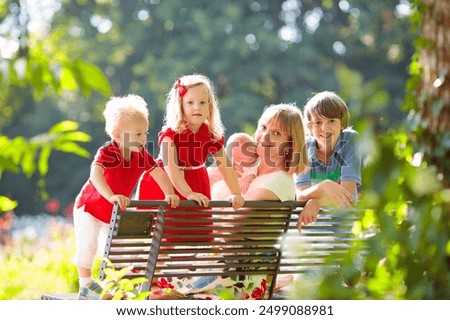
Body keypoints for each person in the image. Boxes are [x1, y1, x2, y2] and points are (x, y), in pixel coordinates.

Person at [72, 94, 180, 300]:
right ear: (118, 134)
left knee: (116, 249)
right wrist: (111, 195)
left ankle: (112, 285)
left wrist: (170, 193)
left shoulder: (141, 155)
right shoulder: (108, 152)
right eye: (137, 134)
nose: (142, 139)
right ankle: (85, 284)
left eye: (145, 133)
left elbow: (157, 172)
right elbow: (95, 174)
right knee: (88, 243)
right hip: (89, 208)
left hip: (112, 212)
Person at [137, 74, 244, 241]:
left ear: (210, 106)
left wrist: (236, 192)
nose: (197, 108)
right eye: (190, 103)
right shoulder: (170, 135)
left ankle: (183, 264)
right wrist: (188, 193)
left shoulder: (210, 134)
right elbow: (171, 168)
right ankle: (154, 264)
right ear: (180, 106)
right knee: (164, 238)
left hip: (196, 181)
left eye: (203, 103)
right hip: (167, 185)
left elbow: (225, 164)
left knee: (193, 236)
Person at [295, 91, 362, 230]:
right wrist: (324, 187)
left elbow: (346, 196)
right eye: (318, 122)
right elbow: (300, 196)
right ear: (309, 127)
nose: (324, 128)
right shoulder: (303, 146)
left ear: (342, 123)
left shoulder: (350, 140)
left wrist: (315, 201)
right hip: (310, 226)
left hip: (343, 229)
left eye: (331, 121)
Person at [209, 132, 258, 200]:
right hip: (218, 194)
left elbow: (254, 169)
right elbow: (210, 174)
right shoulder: (224, 165)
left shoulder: (252, 166)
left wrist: (249, 177)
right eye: (236, 157)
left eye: (251, 155)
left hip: (238, 196)